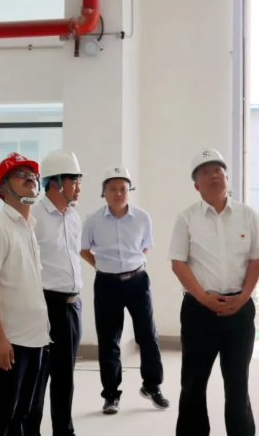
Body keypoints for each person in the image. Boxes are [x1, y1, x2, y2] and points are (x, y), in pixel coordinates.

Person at [169, 148, 259, 436]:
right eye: (206, 172)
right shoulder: (186, 218)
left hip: (239, 310)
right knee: (193, 384)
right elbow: (178, 263)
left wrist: (244, 297)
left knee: (238, 385)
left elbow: (255, 259)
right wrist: (203, 298)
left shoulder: (247, 215)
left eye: (218, 170)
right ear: (196, 185)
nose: (214, 175)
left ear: (226, 177)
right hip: (199, 310)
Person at [0, 152, 51, 436]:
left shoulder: (28, 227)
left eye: (32, 175)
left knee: (20, 418)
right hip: (9, 341)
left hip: (34, 339)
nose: (30, 178)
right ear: (3, 187)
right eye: (20, 174)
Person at [80, 165, 169, 415]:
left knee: (147, 335)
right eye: (113, 189)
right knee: (109, 340)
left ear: (129, 190)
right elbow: (84, 250)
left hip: (137, 282)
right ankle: (111, 395)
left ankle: (152, 386)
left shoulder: (142, 217)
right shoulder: (93, 220)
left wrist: (130, 265)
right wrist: (104, 267)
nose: (119, 193)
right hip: (106, 284)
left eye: (123, 188)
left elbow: (145, 247)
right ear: (104, 192)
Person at [29, 149, 84, 435]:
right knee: (38, 376)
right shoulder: (34, 217)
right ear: (56, 182)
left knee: (65, 376)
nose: (79, 187)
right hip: (45, 305)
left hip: (72, 306)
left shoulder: (73, 217)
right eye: (74, 180)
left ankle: (64, 431)